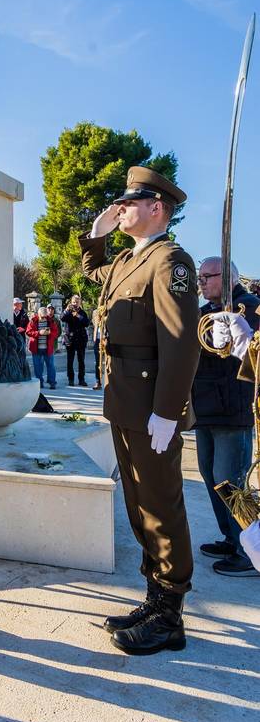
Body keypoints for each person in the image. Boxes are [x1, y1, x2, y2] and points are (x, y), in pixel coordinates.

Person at [81, 166, 200, 656]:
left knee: (162, 505)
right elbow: (95, 273)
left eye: (130, 203)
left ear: (157, 208)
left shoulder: (170, 260)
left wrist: (167, 411)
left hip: (153, 409)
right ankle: (154, 598)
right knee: (138, 503)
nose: (120, 209)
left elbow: (181, 344)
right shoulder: (133, 259)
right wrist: (95, 237)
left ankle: (170, 616)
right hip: (126, 404)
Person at [192, 258, 260, 576]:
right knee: (212, 477)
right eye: (200, 276)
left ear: (228, 277)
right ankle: (232, 538)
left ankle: (251, 548)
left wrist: (233, 322)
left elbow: (250, 345)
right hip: (206, 410)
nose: (201, 281)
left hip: (233, 411)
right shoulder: (205, 313)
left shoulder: (248, 306)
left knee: (231, 481)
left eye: (208, 276)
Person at [27, 306, 59, 388]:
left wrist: (50, 333)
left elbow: (56, 333)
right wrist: (39, 333)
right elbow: (28, 332)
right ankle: (39, 382)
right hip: (36, 348)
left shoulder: (51, 321)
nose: (44, 318)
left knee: (51, 366)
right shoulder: (33, 321)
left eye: (45, 316)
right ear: (38, 314)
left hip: (48, 348)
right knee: (37, 366)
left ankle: (52, 382)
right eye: (42, 316)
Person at [61, 294, 89, 386]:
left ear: (79, 303)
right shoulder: (68, 312)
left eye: (77, 302)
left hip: (81, 339)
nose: (75, 304)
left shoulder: (82, 313)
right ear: (71, 302)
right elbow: (62, 318)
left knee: (81, 360)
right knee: (70, 360)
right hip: (70, 339)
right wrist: (66, 310)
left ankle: (81, 379)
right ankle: (71, 379)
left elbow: (86, 323)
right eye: (73, 302)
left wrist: (77, 316)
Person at [92, 310, 102, 390]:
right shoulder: (95, 312)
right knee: (97, 362)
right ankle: (98, 381)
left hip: (108, 339)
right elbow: (94, 324)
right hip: (97, 340)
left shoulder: (110, 311)